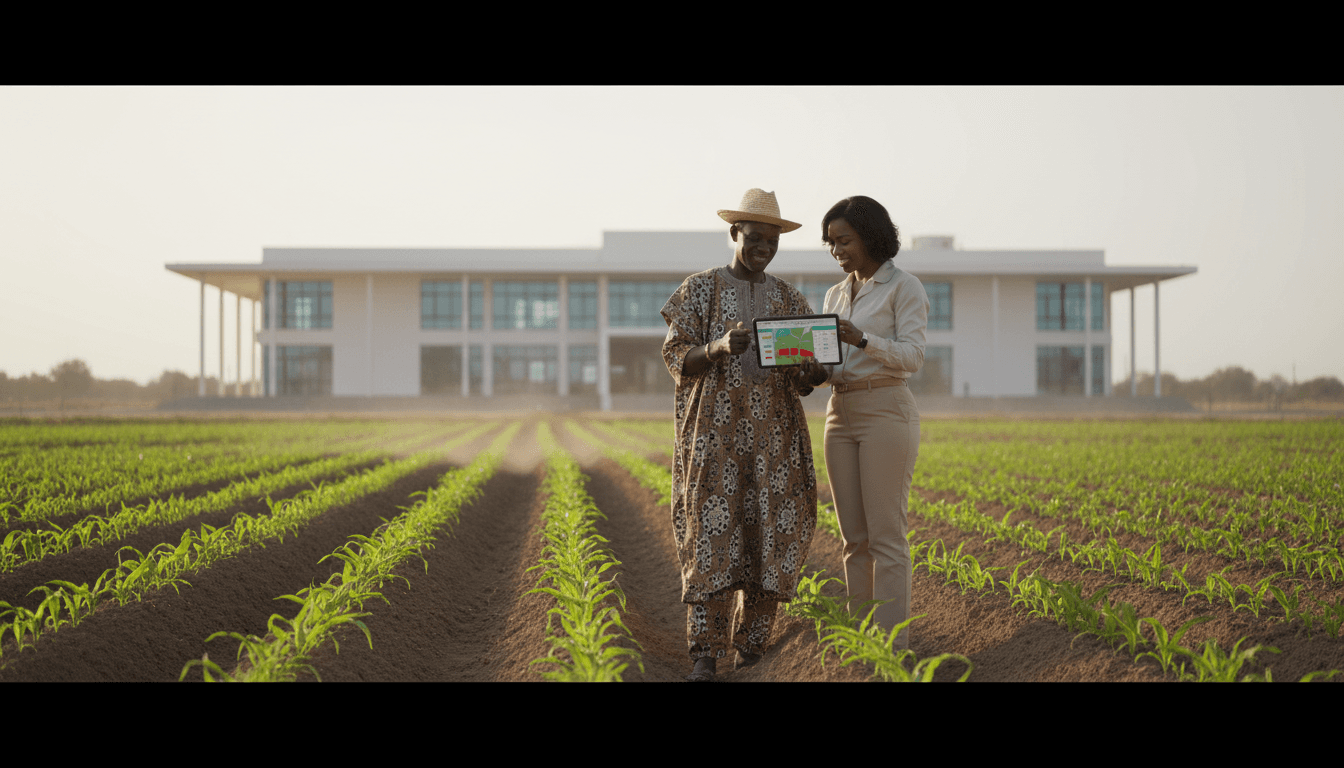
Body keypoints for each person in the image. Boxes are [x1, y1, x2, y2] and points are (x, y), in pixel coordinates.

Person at [660, 188, 827, 682]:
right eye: (755, 238)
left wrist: (813, 370)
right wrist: (715, 346)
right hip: (714, 439)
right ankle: (704, 654)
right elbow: (676, 358)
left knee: (768, 537)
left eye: (772, 241)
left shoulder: (787, 298)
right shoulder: (699, 290)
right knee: (709, 534)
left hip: (773, 440)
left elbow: (803, 382)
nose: (764, 248)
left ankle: (752, 649)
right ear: (734, 233)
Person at [814, 195, 927, 650]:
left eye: (844, 240)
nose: (837, 250)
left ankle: (892, 647)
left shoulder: (904, 287)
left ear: (870, 236)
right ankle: (862, 641)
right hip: (840, 414)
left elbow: (913, 356)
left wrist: (862, 339)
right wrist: (805, 368)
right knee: (852, 540)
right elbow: (828, 367)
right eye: (831, 243)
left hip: (885, 410)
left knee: (886, 537)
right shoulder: (835, 294)